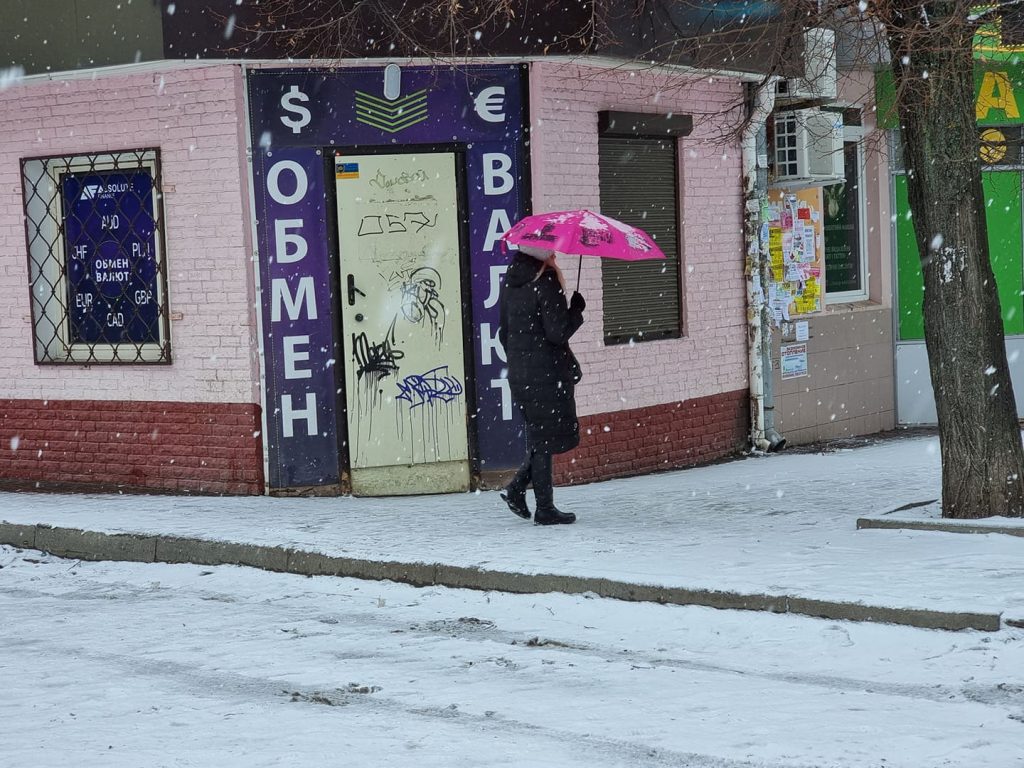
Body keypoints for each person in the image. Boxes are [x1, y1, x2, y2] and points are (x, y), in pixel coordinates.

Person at [498, 247, 586, 525]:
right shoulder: (545, 281)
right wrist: (576, 311)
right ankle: (543, 507)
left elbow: (504, 332)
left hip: (521, 373)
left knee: (540, 436)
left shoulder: (511, 281)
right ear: (541, 255)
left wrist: (521, 359)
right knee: (545, 439)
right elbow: (557, 332)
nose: (555, 257)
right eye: (551, 253)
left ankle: (519, 491)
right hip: (546, 373)